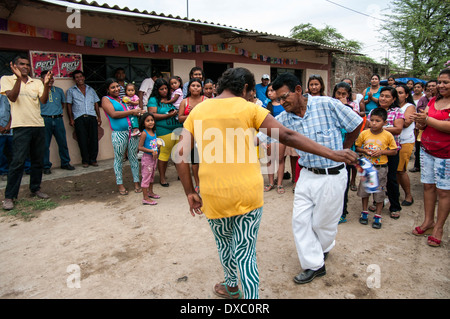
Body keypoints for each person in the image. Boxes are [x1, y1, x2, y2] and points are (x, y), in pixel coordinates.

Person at [174, 68, 359, 299]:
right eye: (251, 92)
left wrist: (190, 192)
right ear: (245, 89)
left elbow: (180, 153)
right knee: (246, 252)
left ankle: (231, 287)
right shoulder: (251, 109)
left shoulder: (198, 110)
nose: (252, 97)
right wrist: (332, 153)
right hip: (248, 193)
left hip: (213, 194)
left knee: (224, 245)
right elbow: (288, 136)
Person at [271, 73, 363, 285]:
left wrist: (345, 148)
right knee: (300, 221)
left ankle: (324, 247)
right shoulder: (284, 119)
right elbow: (258, 138)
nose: (282, 102)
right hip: (306, 175)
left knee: (324, 223)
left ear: (297, 90)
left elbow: (356, 123)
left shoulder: (327, 104)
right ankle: (314, 265)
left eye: (285, 97)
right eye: (278, 100)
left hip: (332, 175)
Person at [1, 55, 52, 210]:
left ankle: (35, 188)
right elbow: (12, 97)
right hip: (20, 126)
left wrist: (47, 85)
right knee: (17, 161)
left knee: (37, 160)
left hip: (38, 125)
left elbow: (43, 101)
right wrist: (17, 79)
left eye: (27, 65)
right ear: (14, 66)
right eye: (22, 64)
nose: (25, 67)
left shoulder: (36, 82)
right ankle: (9, 196)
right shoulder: (6, 79)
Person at [410, 69, 450, 247]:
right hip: (427, 149)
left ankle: (439, 228)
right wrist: (418, 120)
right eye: (439, 82)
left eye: (445, 82)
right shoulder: (433, 101)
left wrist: (427, 120)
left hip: (446, 154)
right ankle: (428, 222)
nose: (441, 86)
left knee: (444, 191)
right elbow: (423, 124)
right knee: (428, 187)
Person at [355, 107, 398, 229]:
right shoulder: (364, 133)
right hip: (367, 167)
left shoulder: (388, 135)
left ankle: (378, 215)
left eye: (377, 121)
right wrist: (365, 150)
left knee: (379, 191)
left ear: (384, 123)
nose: (374, 123)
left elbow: (394, 151)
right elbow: (357, 147)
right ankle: (364, 212)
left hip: (381, 168)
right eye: (372, 120)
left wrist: (382, 152)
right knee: (365, 190)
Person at [366, 86, 404, 219]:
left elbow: (398, 129)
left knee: (391, 179)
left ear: (393, 99)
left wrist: (380, 128)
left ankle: (394, 206)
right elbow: (367, 128)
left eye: (388, 96)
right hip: (373, 151)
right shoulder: (373, 111)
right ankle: (377, 202)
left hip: (390, 151)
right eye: (382, 95)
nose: (383, 98)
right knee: (374, 177)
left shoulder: (397, 111)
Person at [101, 79, 141, 195]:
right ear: (108, 89)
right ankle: (120, 184)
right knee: (119, 159)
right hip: (119, 133)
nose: (116, 89)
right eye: (112, 87)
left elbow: (133, 109)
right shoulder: (106, 99)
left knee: (133, 157)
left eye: (117, 86)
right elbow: (113, 114)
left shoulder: (124, 99)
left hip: (132, 132)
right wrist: (132, 112)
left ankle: (136, 182)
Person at [331, 82, 362, 223]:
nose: (341, 96)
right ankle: (331, 210)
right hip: (332, 149)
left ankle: (343, 212)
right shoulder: (330, 106)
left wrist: (343, 106)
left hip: (347, 150)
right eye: (339, 93)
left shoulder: (352, 107)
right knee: (332, 183)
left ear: (348, 95)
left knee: (343, 181)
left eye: (344, 94)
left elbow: (356, 124)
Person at [147, 78, 182, 187]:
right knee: (164, 154)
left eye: (166, 88)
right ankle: (162, 178)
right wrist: (168, 115)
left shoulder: (171, 98)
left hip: (178, 128)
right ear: (157, 90)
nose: (165, 91)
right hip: (164, 130)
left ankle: (181, 174)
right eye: (162, 89)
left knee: (178, 154)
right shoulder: (153, 100)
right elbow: (152, 115)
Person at [39, 70, 75, 175]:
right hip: (45, 119)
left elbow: (62, 104)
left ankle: (65, 163)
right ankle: (46, 166)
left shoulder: (58, 90)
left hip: (58, 119)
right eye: (47, 78)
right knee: (45, 145)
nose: (50, 80)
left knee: (62, 142)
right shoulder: (39, 91)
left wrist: (56, 112)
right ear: (42, 79)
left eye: (51, 78)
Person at [66, 70, 101, 168]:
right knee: (82, 140)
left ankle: (93, 160)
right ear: (74, 79)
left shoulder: (91, 90)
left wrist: (99, 117)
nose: (79, 79)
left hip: (92, 116)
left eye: (80, 76)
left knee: (94, 139)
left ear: (84, 77)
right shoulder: (71, 91)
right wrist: (71, 119)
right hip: (79, 118)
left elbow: (96, 104)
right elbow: (69, 105)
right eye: (77, 77)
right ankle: (85, 160)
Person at [178, 78, 206, 193]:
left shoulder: (206, 100)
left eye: (198, 86)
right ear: (189, 88)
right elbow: (180, 119)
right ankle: (197, 183)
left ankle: (206, 182)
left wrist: (194, 112)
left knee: (205, 159)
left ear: (201, 88)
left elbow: (209, 117)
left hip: (204, 133)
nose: (195, 87)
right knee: (194, 160)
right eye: (193, 85)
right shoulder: (184, 102)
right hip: (189, 133)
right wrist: (192, 113)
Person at [410, 80, 438, 173]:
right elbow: (421, 115)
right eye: (429, 86)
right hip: (426, 134)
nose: (431, 88)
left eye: (433, 85)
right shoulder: (427, 100)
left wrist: (426, 119)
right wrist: (420, 119)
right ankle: (418, 166)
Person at [396, 84, 416, 206]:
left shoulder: (410, 107)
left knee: (401, 170)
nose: (398, 95)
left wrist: (393, 121)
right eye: (396, 92)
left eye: (401, 93)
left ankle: (408, 195)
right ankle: (395, 192)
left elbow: (407, 123)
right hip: (393, 141)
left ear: (407, 95)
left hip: (405, 141)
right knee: (394, 170)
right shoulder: (393, 107)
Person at [138, 112, 161, 205]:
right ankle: (145, 198)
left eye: (152, 120)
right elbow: (140, 147)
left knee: (151, 176)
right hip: (147, 158)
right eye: (148, 121)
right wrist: (151, 151)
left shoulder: (154, 132)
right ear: (143, 123)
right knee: (146, 177)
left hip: (154, 158)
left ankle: (150, 192)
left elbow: (153, 145)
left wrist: (158, 147)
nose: (150, 122)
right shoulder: (144, 133)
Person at [0, 93, 13, 180]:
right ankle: (3, 171)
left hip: (10, 129)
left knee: (13, 151)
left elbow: (13, 111)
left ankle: (13, 172)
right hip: (0, 130)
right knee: (0, 153)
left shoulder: (7, 96)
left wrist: (8, 126)